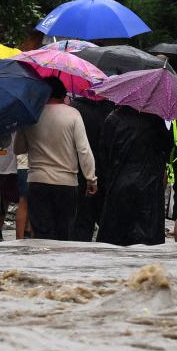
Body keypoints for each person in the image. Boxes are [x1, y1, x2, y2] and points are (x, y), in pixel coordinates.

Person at [14, 76, 97, 240]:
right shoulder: (73, 114)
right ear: (63, 94)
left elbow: (18, 149)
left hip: (37, 182)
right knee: (63, 234)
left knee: (42, 235)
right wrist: (91, 179)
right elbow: (84, 150)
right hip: (66, 184)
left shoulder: (31, 115)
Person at [96, 106, 171, 246]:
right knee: (147, 245)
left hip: (119, 185)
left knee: (114, 241)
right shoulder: (156, 120)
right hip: (149, 188)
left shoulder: (113, 118)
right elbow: (167, 149)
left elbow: (103, 154)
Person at [70, 96, 112, 242]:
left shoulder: (75, 108)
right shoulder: (111, 110)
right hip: (106, 171)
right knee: (107, 222)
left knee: (81, 220)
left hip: (79, 171)